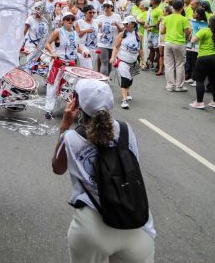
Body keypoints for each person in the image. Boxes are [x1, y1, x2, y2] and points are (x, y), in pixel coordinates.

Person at [51, 79, 155, 263]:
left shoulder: (70, 138)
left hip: (92, 229)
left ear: (78, 103)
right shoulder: (126, 130)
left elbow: (57, 168)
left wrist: (65, 126)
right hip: (136, 223)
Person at [44, 14, 91, 118]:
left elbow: (76, 47)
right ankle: (48, 109)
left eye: (72, 19)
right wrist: (52, 51)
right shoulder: (58, 31)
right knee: (52, 86)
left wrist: (83, 51)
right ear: (63, 20)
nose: (70, 21)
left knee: (70, 87)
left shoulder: (75, 33)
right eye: (67, 19)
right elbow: (47, 43)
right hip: (59, 63)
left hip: (71, 65)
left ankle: (70, 108)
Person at [188, 15, 215, 110]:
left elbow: (193, 40)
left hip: (203, 57)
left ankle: (199, 102)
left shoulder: (204, 30)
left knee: (200, 80)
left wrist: (192, 35)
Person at [111, 16, 142, 109]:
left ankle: (127, 92)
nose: (125, 25)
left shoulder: (139, 35)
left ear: (133, 24)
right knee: (125, 80)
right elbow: (116, 47)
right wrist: (113, 57)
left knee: (130, 79)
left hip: (134, 61)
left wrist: (143, 60)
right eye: (124, 24)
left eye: (126, 24)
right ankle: (124, 100)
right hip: (122, 61)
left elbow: (140, 49)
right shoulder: (121, 34)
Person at [161, 0, 191, 92]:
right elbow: (187, 32)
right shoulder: (184, 19)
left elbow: (162, 31)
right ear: (182, 8)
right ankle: (179, 86)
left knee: (169, 65)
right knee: (179, 65)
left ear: (172, 8)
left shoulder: (166, 18)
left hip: (168, 42)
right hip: (179, 43)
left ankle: (170, 85)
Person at [96, 0, 122, 76]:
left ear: (111, 7)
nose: (106, 8)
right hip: (102, 43)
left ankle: (106, 78)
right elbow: (96, 31)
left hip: (113, 43)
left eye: (108, 6)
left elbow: (121, 31)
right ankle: (103, 81)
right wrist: (98, 27)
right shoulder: (100, 17)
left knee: (110, 63)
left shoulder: (117, 16)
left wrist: (116, 25)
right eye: (104, 6)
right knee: (104, 62)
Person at [75, 5, 99, 71]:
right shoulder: (79, 23)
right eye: (90, 12)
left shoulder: (97, 22)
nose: (92, 14)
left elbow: (98, 34)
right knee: (88, 68)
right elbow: (78, 35)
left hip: (94, 47)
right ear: (85, 13)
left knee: (92, 68)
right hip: (83, 47)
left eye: (93, 12)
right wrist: (86, 31)